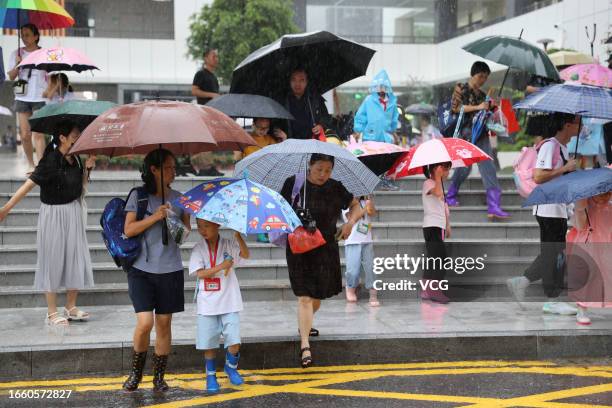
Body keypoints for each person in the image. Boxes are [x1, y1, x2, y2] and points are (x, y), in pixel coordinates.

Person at [0, 120, 95, 327]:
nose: (78, 138)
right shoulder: (51, 160)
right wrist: (6, 209)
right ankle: (51, 312)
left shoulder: (77, 159)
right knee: (52, 259)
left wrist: (87, 169)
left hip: (73, 211)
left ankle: (70, 306)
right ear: (62, 138)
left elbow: (81, 187)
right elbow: (29, 185)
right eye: (75, 135)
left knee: (75, 257)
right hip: (53, 214)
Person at [280, 154, 361, 368]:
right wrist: (297, 216)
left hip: (326, 247)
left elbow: (357, 206)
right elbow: (278, 209)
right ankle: (305, 345)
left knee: (316, 296)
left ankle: (303, 324)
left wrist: (349, 223)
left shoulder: (336, 187)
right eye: (319, 169)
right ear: (309, 166)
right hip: (299, 247)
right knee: (304, 297)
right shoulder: (294, 183)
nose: (323, 174)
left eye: (328, 170)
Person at [122, 149, 191, 392]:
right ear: (154, 169)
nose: (174, 171)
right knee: (145, 323)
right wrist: (155, 217)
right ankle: (135, 373)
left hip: (170, 269)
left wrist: (173, 218)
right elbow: (129, 229)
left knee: (164, 323)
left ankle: (159, 377)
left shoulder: (180, 199)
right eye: (169, 167)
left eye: (174, 167)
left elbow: (183, 236)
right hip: (141, 269)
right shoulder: (138, 196)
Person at [506, 112, 580, 315]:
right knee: (554, 253)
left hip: (557, 209)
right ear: (567, 125)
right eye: (577, 121)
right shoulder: (551, 145)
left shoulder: (562, 148)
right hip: (548, 209)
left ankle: (523, 282)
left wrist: (569, 170)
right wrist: (565, 168)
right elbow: (538, 176)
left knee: (554, 253)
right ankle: (551, 299)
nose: (580, 125)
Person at [189, 218, 249, 393]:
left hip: (229, 300)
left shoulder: (229, 244)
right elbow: (200, 274)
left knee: (234, 340)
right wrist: (221, 266)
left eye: (206, 226)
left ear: (217, 225)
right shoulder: (198, 248)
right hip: (207, 303)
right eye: (199, 226)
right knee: (209, 342)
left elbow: (245, 256)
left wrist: (239, 238)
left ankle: (231, 367)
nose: (202, 230)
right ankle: (211, 375)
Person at [445, 61, 510, 220]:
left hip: (481, 133)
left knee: (488, 166)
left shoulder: (482, 94)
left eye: (485, 77)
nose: (482, 80)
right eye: (480, 76)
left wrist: (492, 107)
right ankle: (450, 195)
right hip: (465, 133)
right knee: (464, 168)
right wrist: (478, 107)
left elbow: (487, 111)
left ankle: (494, 206)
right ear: (473, 74)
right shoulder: (461, 87)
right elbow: (456, 108)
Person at [7, 23, 48, 173]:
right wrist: (18, 65)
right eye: (22, 35)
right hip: (22, 97)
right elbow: (11, 76)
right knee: (25, 135)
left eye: (27, 35)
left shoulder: (44, 54)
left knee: (38, 134)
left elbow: (50, 74)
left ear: (36, 36)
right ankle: (31, 164)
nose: (24, 38)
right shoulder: (16, 53)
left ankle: (41, 166)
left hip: (39, 98)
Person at [568, 192, 612, 325]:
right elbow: (580, 226)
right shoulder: (584, 204)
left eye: (609, 193)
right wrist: (581, 208)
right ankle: (581, 308)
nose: (605, 196)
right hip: (587, 244)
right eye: (602, 194)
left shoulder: (609, 207)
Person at [421, 162, 452, 304]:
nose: (447, 173)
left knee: (433, 258)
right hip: (432, 226)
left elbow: (443, 206)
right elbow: (438, 193)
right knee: (440, 258)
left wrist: (447, 225)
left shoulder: (438, 184)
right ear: (436, 169)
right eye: (445, 169)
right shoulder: (429, 183)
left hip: (438, 226)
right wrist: (438, 177)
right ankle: (435, 291)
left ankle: (426, 290)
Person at [274, 68, 331, 140]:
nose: (297, 84)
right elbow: (275, 123)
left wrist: (321, 126)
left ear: (306, 82)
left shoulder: (315, 99)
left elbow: (326, 118)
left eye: (301, 80)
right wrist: (279, 133)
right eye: (294, 80)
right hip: (289, 143)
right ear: (289, 82)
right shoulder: (282, 100)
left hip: (311, 143)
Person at [342, 196, 379, 306]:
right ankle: (350, 288)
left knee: (371, 267)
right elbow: (351, 219)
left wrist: (370, 204)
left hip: (366, 240)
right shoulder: (346, 204)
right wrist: (362, 208)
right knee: (353, 270)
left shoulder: (365, 201)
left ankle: (373, 293)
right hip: (352, 240)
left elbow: (372, 213)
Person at [191, 48, 222, 176]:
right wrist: (212, 95)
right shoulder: (200, 74)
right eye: (213, 56)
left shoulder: (214, 77)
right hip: (203, 111)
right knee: (205, 139)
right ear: (206, 58)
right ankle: (205, 167)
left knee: (210, 140)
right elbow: (194, 91)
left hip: (212, 112)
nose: (216, 58)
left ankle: (207, 166)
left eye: (217, 56)